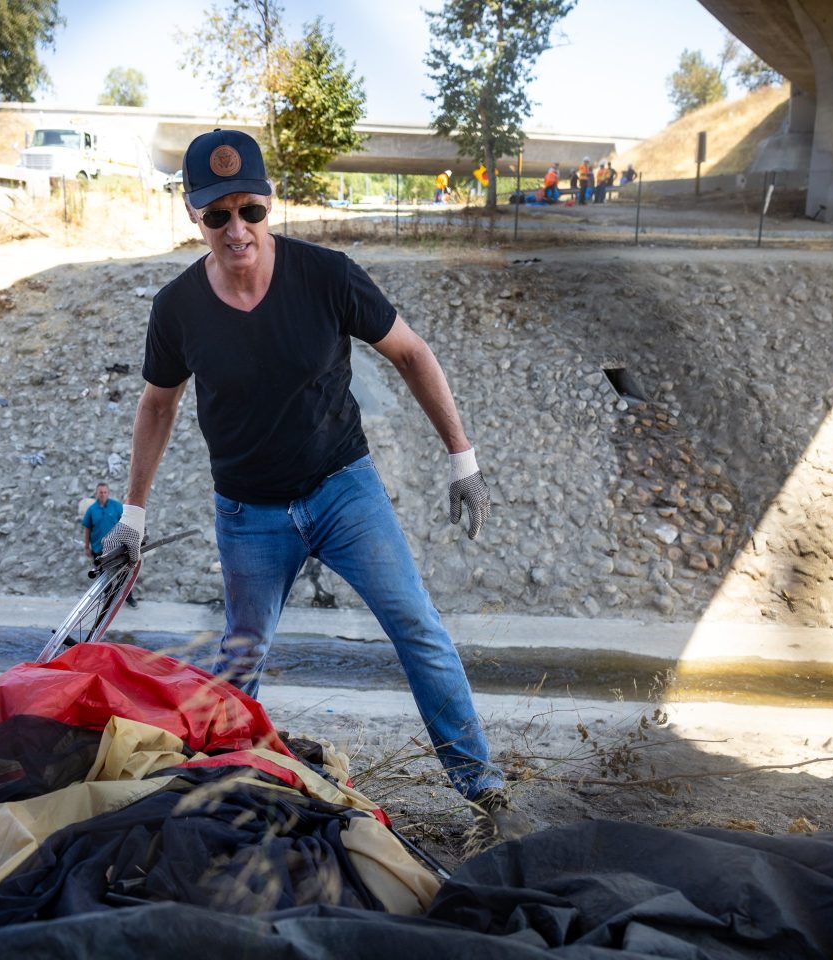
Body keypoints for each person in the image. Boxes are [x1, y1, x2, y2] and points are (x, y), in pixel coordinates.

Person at [102, 128, 529, 843]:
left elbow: (410, 352)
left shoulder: (326, 276)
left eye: (250, 210)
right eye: (217, 215)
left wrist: (464, 457)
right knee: (243, 653)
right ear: (193, 213)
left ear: (270, 203)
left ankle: (483, 788)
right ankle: (222, 791)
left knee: (418, 626)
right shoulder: (178, 308)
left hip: (343, 491)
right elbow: (157, 406)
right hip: (248, 515)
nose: (237, 229)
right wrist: (133, 515)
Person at [82, 482, 136, 606]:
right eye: (100, 492)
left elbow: (125, 523)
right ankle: (109, 598)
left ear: (108, 493)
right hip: (98, 548)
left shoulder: (116, 506)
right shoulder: (91, 510)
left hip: (116, 548)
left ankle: (128, 597)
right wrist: (86, 546)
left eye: (105, 492)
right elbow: (87, 528)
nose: (103, 494)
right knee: (103, 576)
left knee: (123, 573)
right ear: (96, 493)